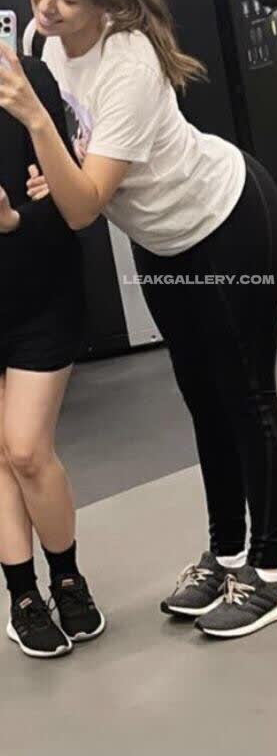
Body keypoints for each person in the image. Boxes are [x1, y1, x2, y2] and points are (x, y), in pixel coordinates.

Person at [0, 0, 277, 640]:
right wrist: (52, 169)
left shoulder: (129, 63)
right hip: (161, 241)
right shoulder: (43, 41)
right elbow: (71, 169)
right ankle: (226, 553)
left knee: (246, 396)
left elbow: (83, 209)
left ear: (107, 1)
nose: (46, 5)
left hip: (224, 223)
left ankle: (270, 573)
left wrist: (40, 126)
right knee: (202, 396)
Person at [0, 55, 105, 659]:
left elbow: (66, 203)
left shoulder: (24, 79)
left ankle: (66, 576)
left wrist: (15, 218)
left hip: (41, 291)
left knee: (25, 449)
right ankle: (22, 596)